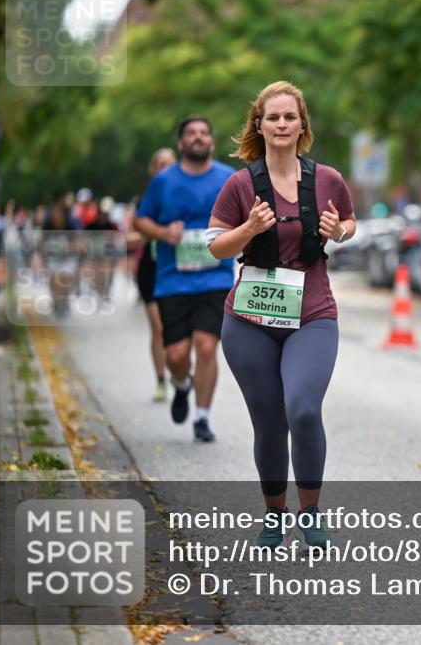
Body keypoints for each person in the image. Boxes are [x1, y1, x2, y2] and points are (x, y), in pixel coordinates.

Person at [207, 80, 355, 547]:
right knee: (269, 419)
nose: (282, 124)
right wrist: (248, 228)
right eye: (273, 117)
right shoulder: (240, 184)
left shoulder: (327, 179)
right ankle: (274, 513)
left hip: (312, 313)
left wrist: (341, 230)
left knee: (303, 409)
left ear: (302, 124)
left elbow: (349, 221)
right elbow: (214, 246)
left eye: (290, 116)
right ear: (260, 125)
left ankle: (310, 512)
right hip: (250, 318)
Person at [134, 117, 234, 442]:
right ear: (181, 143)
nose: (198, 137)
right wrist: (163, 232)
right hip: (172, 280)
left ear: (212, 142)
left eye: (204, 132)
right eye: (191, 133)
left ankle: (202, 417)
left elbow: (248, 219)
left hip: (215, 278)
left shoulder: (227, 179)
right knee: (177, 355)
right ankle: (181, 384)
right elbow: (140, 220)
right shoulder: (163, 181)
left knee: (207, 348)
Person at [128, 148, 177, 402]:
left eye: (170, 164)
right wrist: (156, 232)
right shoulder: (144, 201)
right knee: (159, 328)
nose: (165, 168)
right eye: (160, 164)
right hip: (151, 269)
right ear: (153, 169)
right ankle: (161, 380)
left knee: (178, 330)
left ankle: (179, 375)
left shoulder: (183, 196)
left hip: (179, 270)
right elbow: (129, 237)